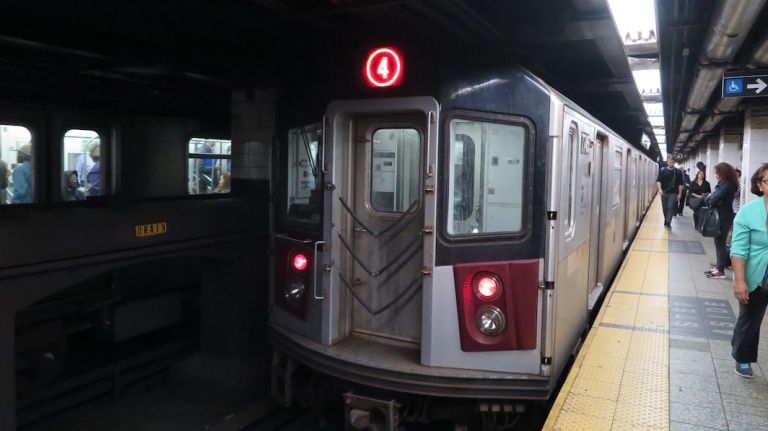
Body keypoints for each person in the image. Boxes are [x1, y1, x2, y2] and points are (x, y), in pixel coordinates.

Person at [729, 163, 768, 378]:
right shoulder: (747, 213)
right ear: (760, 185)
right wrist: (740, 281)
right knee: (750, 318)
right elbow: (739, 249)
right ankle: (743, 357)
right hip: (757, 274)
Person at [704, 162, 738, 279]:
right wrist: (712, 198)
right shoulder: (725, 184)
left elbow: (711, 201)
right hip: (724, 216)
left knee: (720, 243)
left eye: (716, 172)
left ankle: (720, 270)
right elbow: (712, 199)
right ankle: (719, 267)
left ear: (722, 173)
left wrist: (711, 198)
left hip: (723, 217)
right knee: (719, 242)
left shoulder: (727, 186)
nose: (715, 175)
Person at [656, 156, 684, 230]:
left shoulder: (678, 172)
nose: (671, 163)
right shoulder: (662, 170)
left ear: (674, 162)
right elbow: (658, 181)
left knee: (670, 207)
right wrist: (660, 189)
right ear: (667, 162)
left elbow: (680, 184)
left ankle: (668, 223)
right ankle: (666, 219)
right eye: (669, 162)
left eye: (672, 162)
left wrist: (680, 194)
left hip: (673, 193)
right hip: (664, 192)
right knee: (664, 208)